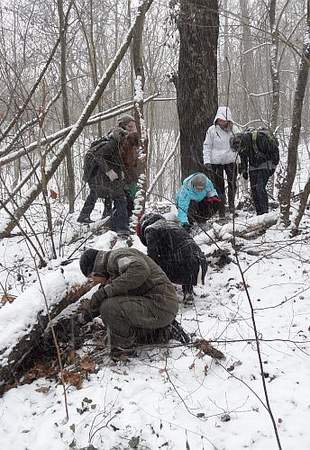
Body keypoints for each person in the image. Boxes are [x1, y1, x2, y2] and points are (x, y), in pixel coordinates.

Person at [79, 247, 179, 359]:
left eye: (92, 278)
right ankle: (159, 332)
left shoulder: (116, 258)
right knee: (114, 320)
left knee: (109, 308)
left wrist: (105, 292)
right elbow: (104, 295)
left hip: (161, 305)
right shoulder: (111, 271)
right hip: (159, 306)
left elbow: (140, 270)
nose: (95, 281)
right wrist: (84, 317)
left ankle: (123, 349)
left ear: (95, 270)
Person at [77, 114, 138, 228]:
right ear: (123, 126)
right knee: (112, 196)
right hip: (98, 174)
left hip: (101, 175)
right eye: (130, 127)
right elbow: (100, 156)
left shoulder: (120, 138)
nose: (132, 130)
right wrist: (110, 171)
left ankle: (104, 217)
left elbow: (117, 159)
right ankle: (118, 226)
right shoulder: (116, 139)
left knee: (104, 194)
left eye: (133, 127)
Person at [137, 213, 208, 304]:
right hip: (200, 264)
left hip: (181, 265)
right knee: (184, 256)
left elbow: (152, 257)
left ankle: (162, 291)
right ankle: (188, 291)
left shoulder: (151, 229)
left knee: (154, 263)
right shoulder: (174, 225)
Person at [230, 128, 280, 215]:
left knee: (260, 188)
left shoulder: (260, 138)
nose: (241, 150)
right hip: (253, 166)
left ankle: (265, 213)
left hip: (265, 163)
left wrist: (274, 166)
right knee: (254, 191)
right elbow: (243, 157)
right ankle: (259, 213)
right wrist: (244, 170)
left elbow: (274, 150)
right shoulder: (242, 145)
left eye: (241, 149)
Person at [203, 106, 239, 217]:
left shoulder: (235, 130)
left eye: (224, 120)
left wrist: (240, 161)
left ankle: (232, 208)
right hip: (216, 162)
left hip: (231, 160)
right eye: (220, 120)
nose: (221, 122)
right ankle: (222, 210)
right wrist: (207, 161)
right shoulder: (212, 130)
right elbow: (207, 146)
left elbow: (239, 147)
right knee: (219, 187)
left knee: (232, 184)